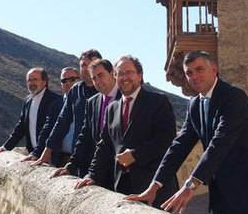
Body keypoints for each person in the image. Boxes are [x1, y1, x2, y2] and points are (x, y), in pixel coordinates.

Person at [125, 51, 248, 214]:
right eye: (189, 73)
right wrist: (155, 185)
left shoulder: (233, 98)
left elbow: (219, 144)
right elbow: (179, 146)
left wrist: (190, 186)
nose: (194, 76)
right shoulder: (195, 104)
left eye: (199, 70)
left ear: (213, 69)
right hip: (221, 193)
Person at [75, 55, 177, 204]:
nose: (124, 77)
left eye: (129, 72)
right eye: (120, 74)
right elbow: (104, 145)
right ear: (115, 77)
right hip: (121, 187)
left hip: (154, 189)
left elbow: (166, 140)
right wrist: (92, 175)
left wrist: (136, 155)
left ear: (140, 75)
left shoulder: (158, 102)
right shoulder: (112, 109)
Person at [51, 58, 121, 183]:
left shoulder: (126, 97)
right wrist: (70, 166)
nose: (98, 81)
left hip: (123, 173)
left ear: (112, 73)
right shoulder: (92, 102)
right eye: (94, 78)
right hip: (96, 170)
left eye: (101, 75)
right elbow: (85, 136)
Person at [32, 49, 101, 173]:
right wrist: (46, 152)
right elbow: (62, 121)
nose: (88, 68)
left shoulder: (105, 91)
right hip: (78, 157)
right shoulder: (76, 90)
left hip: (101, 157)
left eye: (93, 64)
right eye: (84, 65)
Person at [0, 67, 62, 160]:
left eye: (35, 79)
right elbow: (21, 128)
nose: (31, 83)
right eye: (29, 80)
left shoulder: (55, 101)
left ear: (44, 82)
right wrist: (5, 147)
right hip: (33, 154)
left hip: (51, 156)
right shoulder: (28, 100)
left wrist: (40, 152)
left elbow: (53, 129)